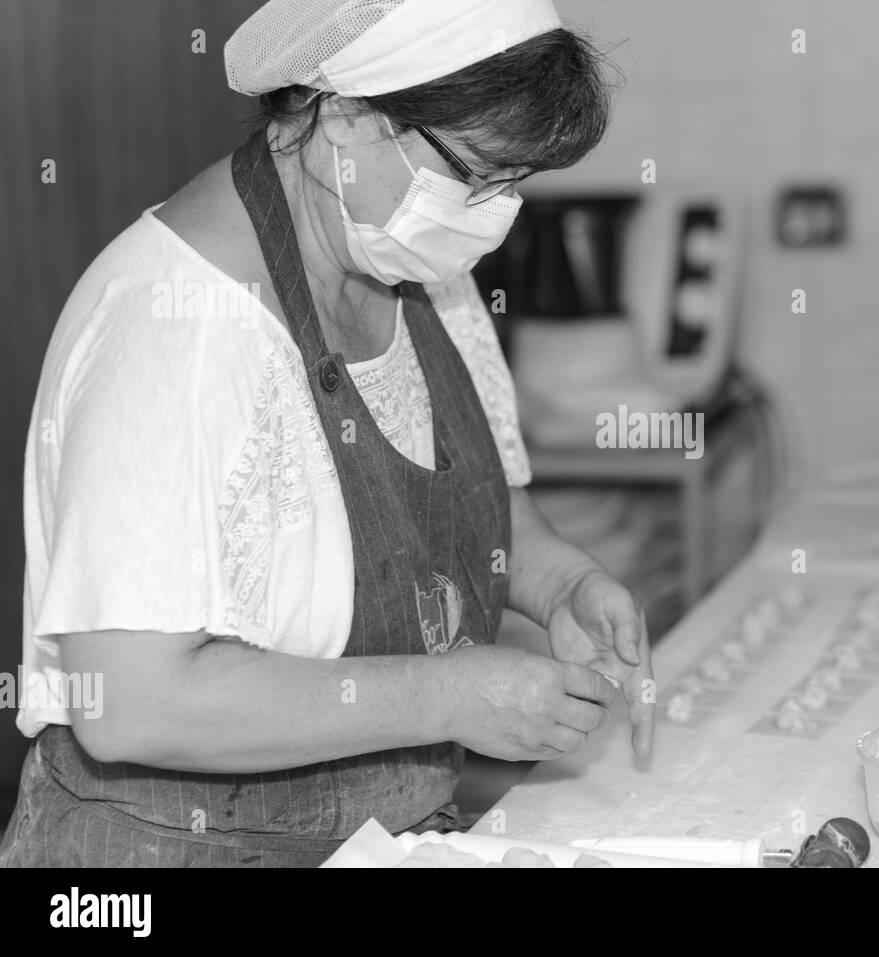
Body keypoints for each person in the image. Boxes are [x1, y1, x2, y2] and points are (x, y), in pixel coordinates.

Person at [0, 0, 653, 867]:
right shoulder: (174, 326)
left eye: (514, 184)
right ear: (344, 117)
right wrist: (446, 695)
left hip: (382, 840)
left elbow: (479, 495)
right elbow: (132, 701)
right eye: (475, 175)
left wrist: (564, 582)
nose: (493, 215)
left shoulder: (418, 269)